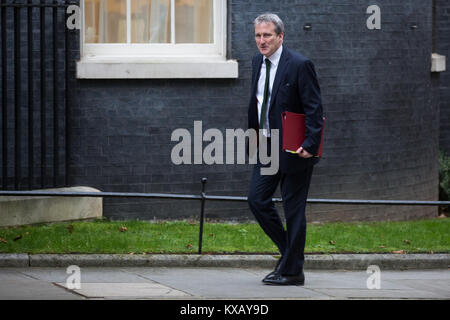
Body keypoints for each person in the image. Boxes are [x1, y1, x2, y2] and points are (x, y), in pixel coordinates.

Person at [247, 13, 324, 286]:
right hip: (267, 145)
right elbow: (258, 104)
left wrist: (311, 145)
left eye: (267, 35)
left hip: (294, 149)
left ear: (281, 36)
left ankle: (293, 271)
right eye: (258, 35)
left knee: (293, 210)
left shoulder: (300, 65)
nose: (261, 40)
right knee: (256, 199)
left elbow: (315, 108)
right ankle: (289, 255)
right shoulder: (257, 62)